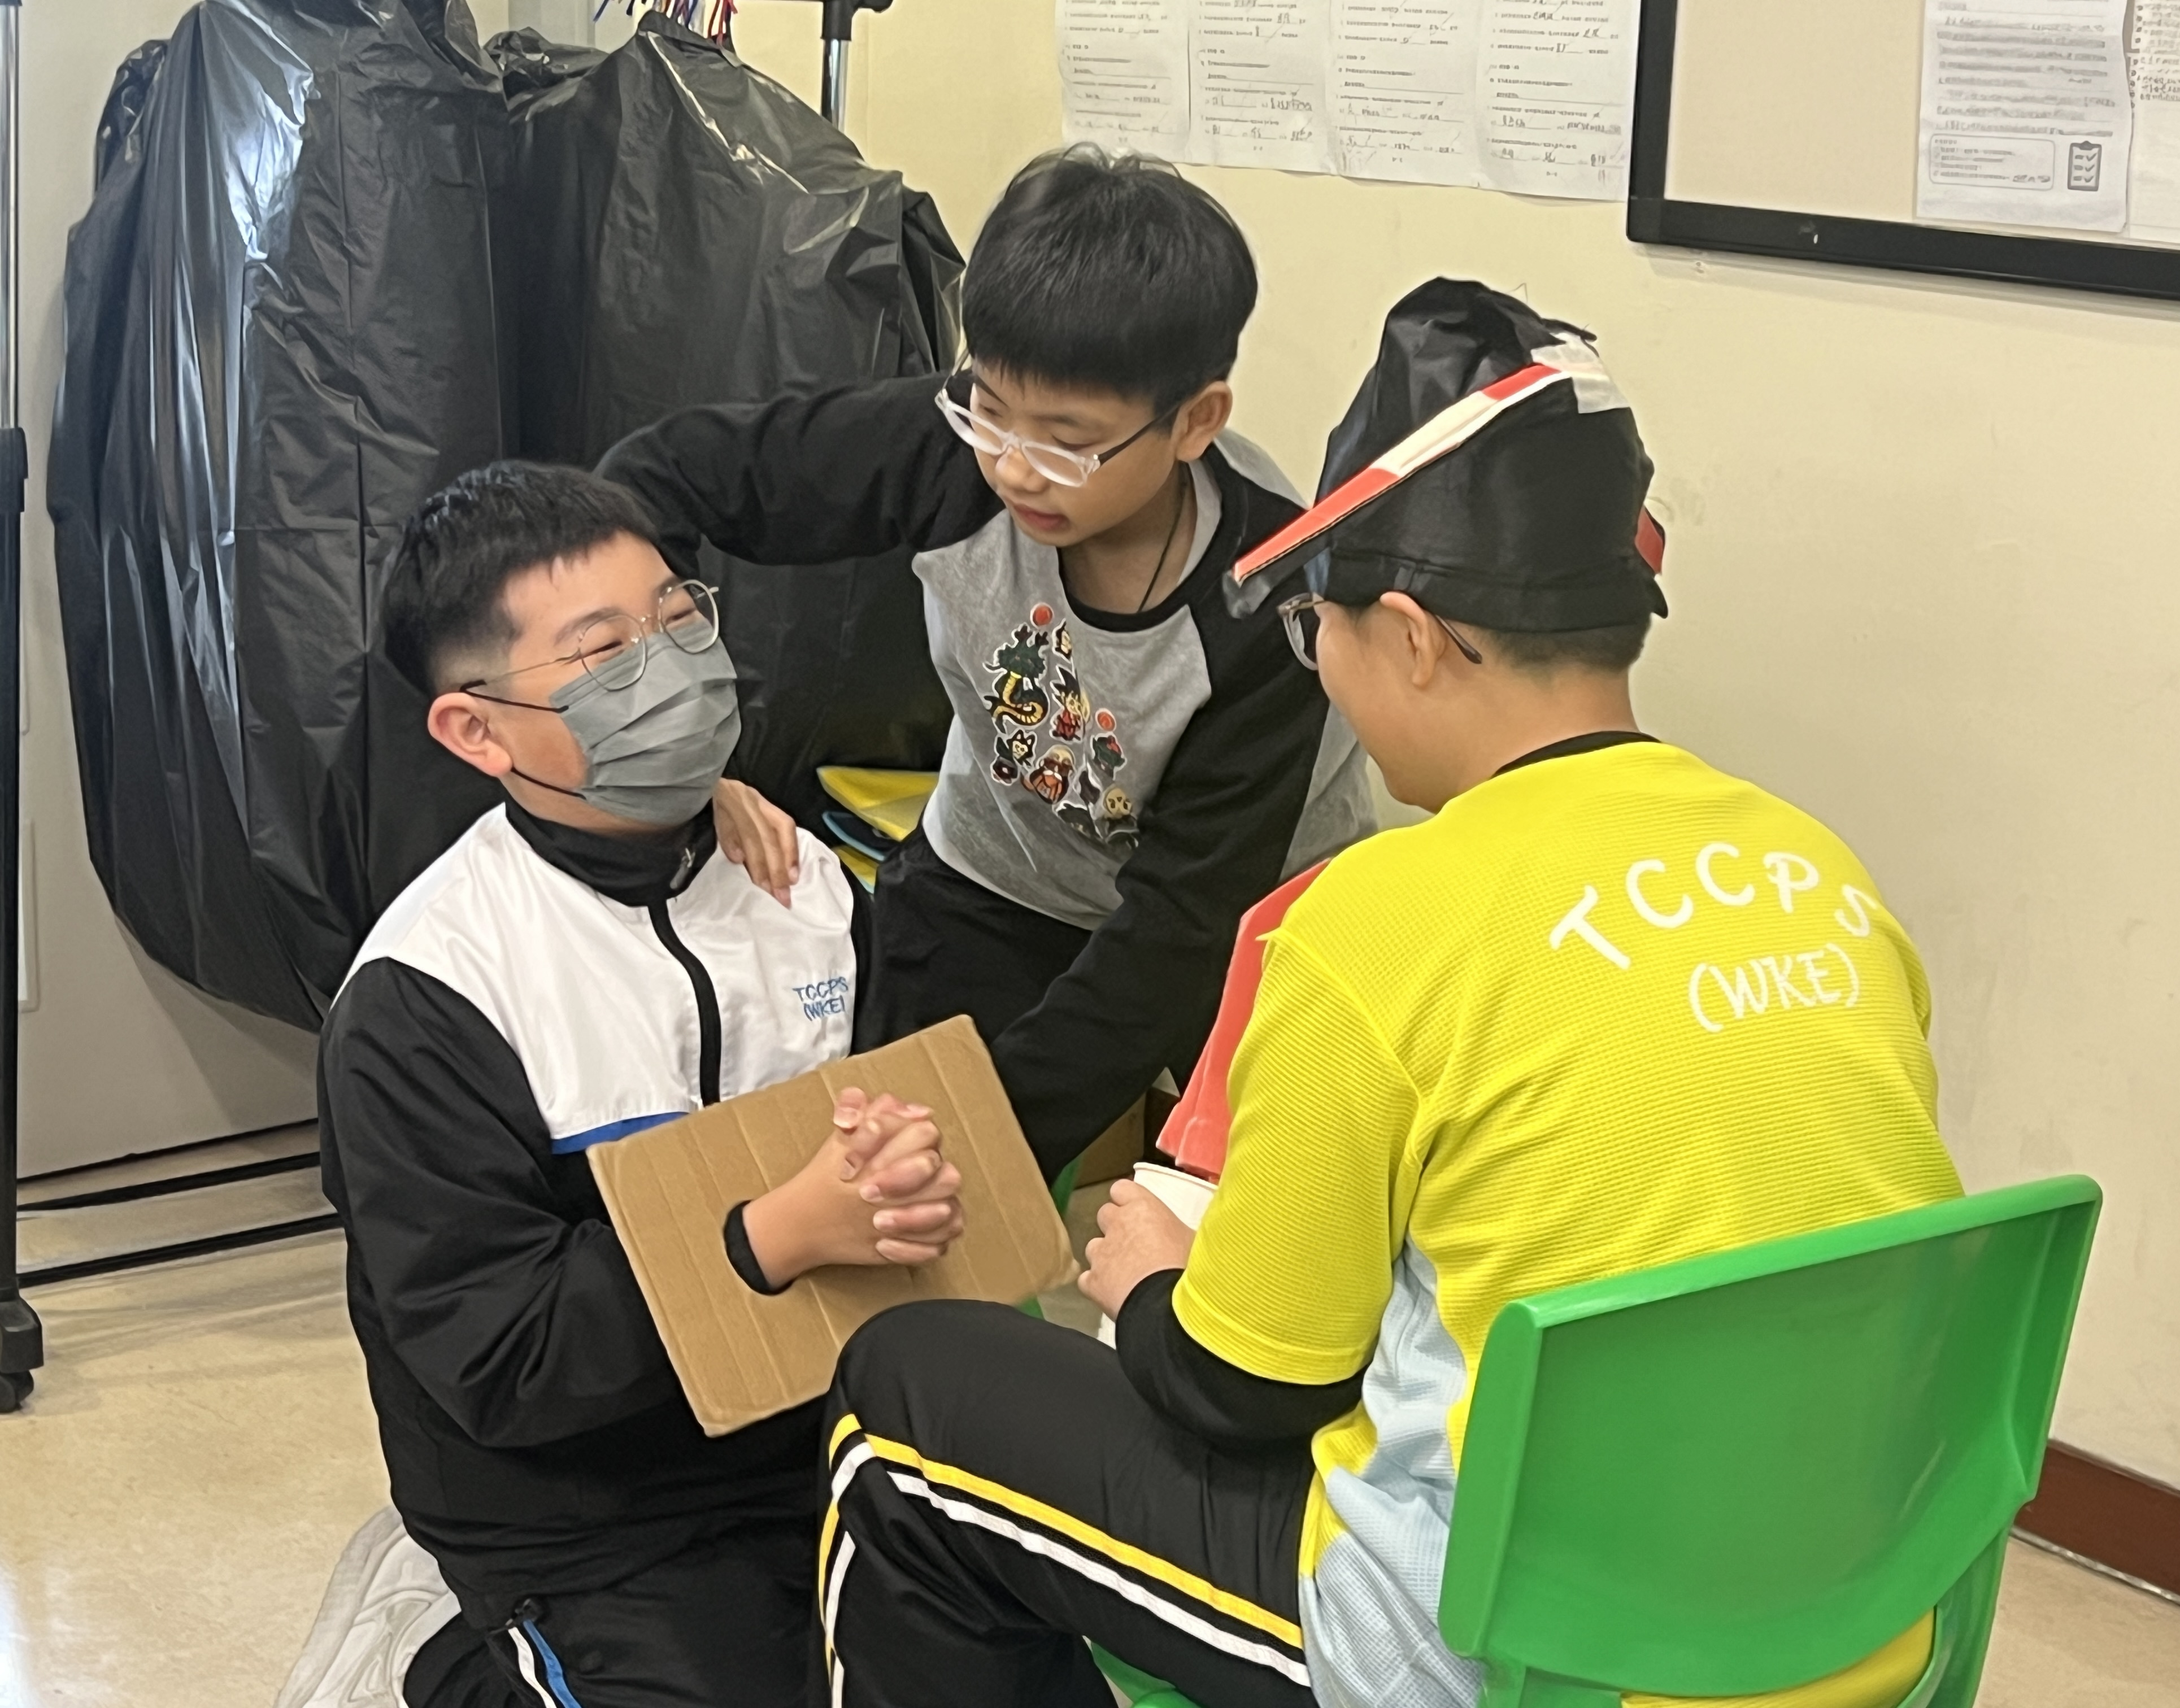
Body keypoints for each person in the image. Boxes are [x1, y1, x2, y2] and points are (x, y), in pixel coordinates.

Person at [813, 281, 1966, 1708]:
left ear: (1412, 635)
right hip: (1856, 1597)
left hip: (1502, 1645)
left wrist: (1154, 1287)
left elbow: (1247, 1387)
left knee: (909, 1391)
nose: (1323, 671)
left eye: (1319, 632)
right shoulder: (1816, 869)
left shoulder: (1375, 916)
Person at [316, 463, 965, 1708]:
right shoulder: (428, 996)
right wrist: (764, 1242)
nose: (671, 671)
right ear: (475, 730)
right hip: (585, 1512)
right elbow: (501, 1353)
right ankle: (452, 1654)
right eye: (606, 654)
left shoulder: (807, 892)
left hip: (831, 1435)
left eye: (678, 618)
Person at [599, 146, 1374, 1182]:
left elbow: (1173, 939)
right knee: (873, 1141)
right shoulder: (949, 452)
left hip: (1243, 920)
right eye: (990, 410)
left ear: (1195, 422)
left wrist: (979, 1139)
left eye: (1065, 442)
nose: (1012, 467)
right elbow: (658, 478)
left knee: (1240, 1203)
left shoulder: (1269, 606)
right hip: (998, 870)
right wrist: (688, 748)